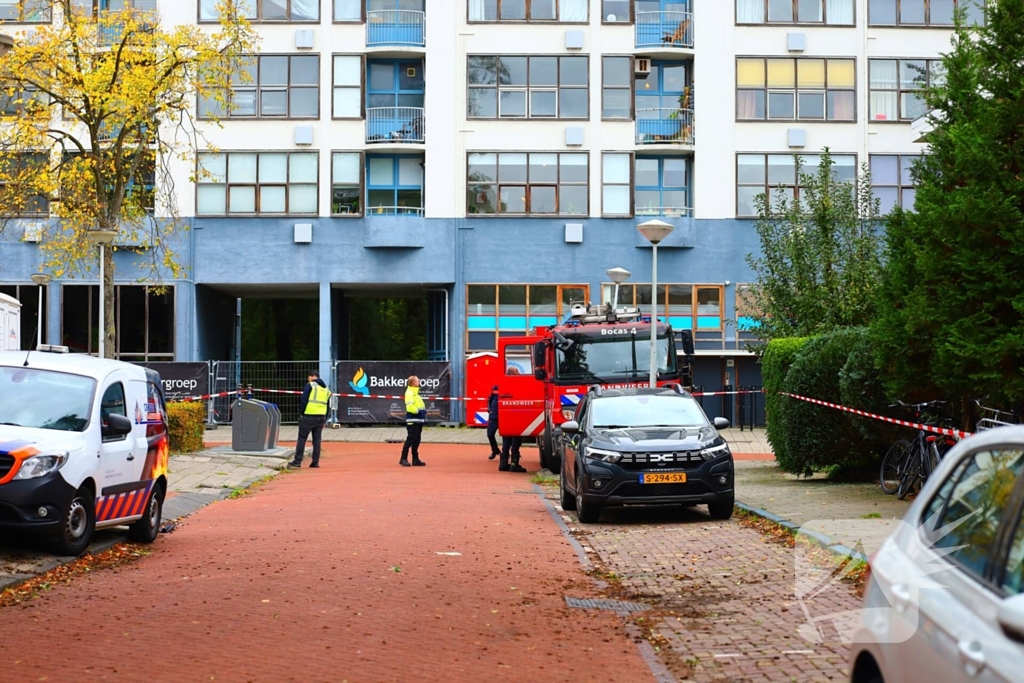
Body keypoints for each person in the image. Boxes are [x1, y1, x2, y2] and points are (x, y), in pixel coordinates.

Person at [288, 371, 330, 469]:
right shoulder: (326, 389)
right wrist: (325, 418)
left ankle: (297, 461)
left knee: (302, 438)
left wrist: (302, 413)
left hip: (309, 415)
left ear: (314, 376)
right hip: (321, 417)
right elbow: (327, 405)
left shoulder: (310, 385)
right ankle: (315, 462)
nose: (309, 379)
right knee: (317, 440)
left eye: (309, 377)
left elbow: (304, 400)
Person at [400, 375, 427, 467]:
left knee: (417, 439)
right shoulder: (409, 393)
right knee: (410, 439)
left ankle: (415, 459)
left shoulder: (416, 393)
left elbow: (419, 404)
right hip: (413, 420)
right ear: (413, 383)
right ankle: (403, 458)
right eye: (417, 380)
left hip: (419, 420)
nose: (419, 381)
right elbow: (410, 407)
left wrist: (423, 412)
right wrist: (418, 411)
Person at [486, 384, 500, 460]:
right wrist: (490, 410)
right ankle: (495, 450)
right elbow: (489, 400)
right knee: (490, 434)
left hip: (503, 416)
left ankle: (506, 453)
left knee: (506, 437)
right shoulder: (495, 388)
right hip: (493, 416)